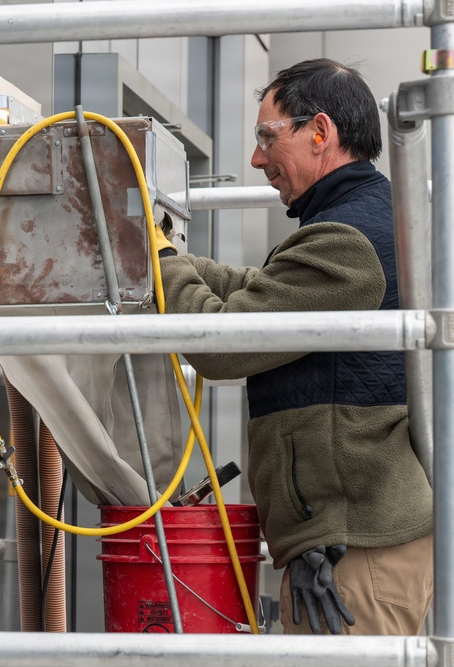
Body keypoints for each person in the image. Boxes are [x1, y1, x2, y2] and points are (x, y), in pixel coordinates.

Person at [155, 58, 433, 635]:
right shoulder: (361, 224)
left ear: (320, 132)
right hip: (351, 544)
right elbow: (262, 291)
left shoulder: (346, 241)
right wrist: (175, 260)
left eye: (266, 137)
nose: (257, 159)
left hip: (354, 559)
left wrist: (157, 261)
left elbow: (222, 346)